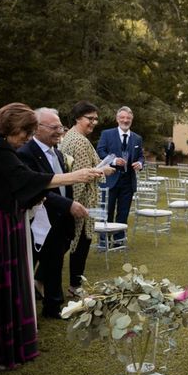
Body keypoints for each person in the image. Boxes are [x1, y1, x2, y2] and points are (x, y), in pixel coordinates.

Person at [0, 103, 101, 371]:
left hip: (4, 222)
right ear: (13, 127)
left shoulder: (3, 148)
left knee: (8, 284)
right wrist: (73, 176)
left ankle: (4, 347)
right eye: (26, 130)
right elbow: (27, 179)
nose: (26, 137)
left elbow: (26, 185)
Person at [17, 108, 89, 318]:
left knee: (55, 262)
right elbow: (36, 188)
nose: (59, 131)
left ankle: (53, 306)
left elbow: (62, 183)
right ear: (37, 128)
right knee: (31, 265)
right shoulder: (26, 153)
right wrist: (67, 205)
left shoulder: (57, 152)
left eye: (60, 127)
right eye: (54, 127)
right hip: (39, 219)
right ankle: (24, 309)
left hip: (59, 220)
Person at [61, 101, 113, 294]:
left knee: (65, 244)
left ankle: (40, 280)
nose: (94, 122)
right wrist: (73, 205)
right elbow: (81, 178)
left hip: (71, 200)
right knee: (79, 244)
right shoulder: (81, 142)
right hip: (80, 202)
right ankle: (75, 286)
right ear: (77, 118)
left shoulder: (71, 136)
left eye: (96, 119)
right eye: (90, 118)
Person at [96, 106, 144, 244]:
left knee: (123, 213)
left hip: (128, 181)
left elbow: (141, 156)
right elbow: (100, 151)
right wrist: (114, 160)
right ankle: (104, 241)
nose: (125, 120)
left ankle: (119, 240)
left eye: (128, 118)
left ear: (132, 120)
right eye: (122, 117)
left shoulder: (137, 138)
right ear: (117, 119)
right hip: (110, 179)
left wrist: (140, 164)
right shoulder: (107, 134)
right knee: (107, 211)